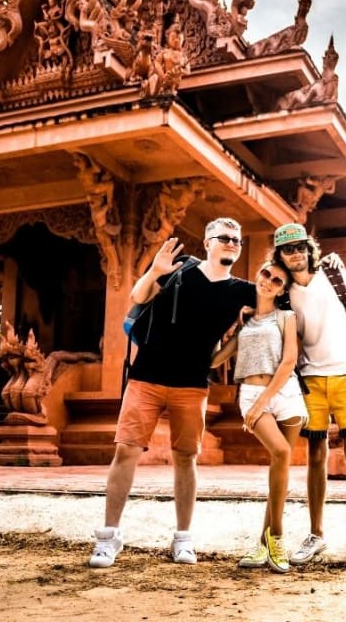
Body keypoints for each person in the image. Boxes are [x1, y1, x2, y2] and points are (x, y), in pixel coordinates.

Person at [89, 218, 256, 568]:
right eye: (224, 238)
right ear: (208, 242)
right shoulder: (180, 269)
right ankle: (109, 537)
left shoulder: (242, 290)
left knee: (185, 458)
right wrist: (154, 271)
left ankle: (183, 538)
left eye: (237, 240)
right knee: (126, 451)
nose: (231, 244)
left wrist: (216, 360)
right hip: (146, 376)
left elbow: (266, 318)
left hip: (192, 384)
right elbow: (137, 296)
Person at [271, 223, 346, 564]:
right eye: (288, 249)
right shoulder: (283, 293)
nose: (296, 253)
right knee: (316, 454)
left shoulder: (333, 271)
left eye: (301, 246)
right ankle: (316, 534)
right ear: (281, 256)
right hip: (310, 379)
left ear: (309, 248)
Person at [211, 259, 305, 573]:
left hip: (285, 394)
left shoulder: (286, 317)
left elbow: (289, 361)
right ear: (258, 274)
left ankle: (263, 546)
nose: (268, 281)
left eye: (277, 280)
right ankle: (277, 536)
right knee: (280, 452)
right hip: (251, 394)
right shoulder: (246, 320)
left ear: (282, 290)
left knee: (281, 467)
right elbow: (214, 361)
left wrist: (263, 402)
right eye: (266, 273)